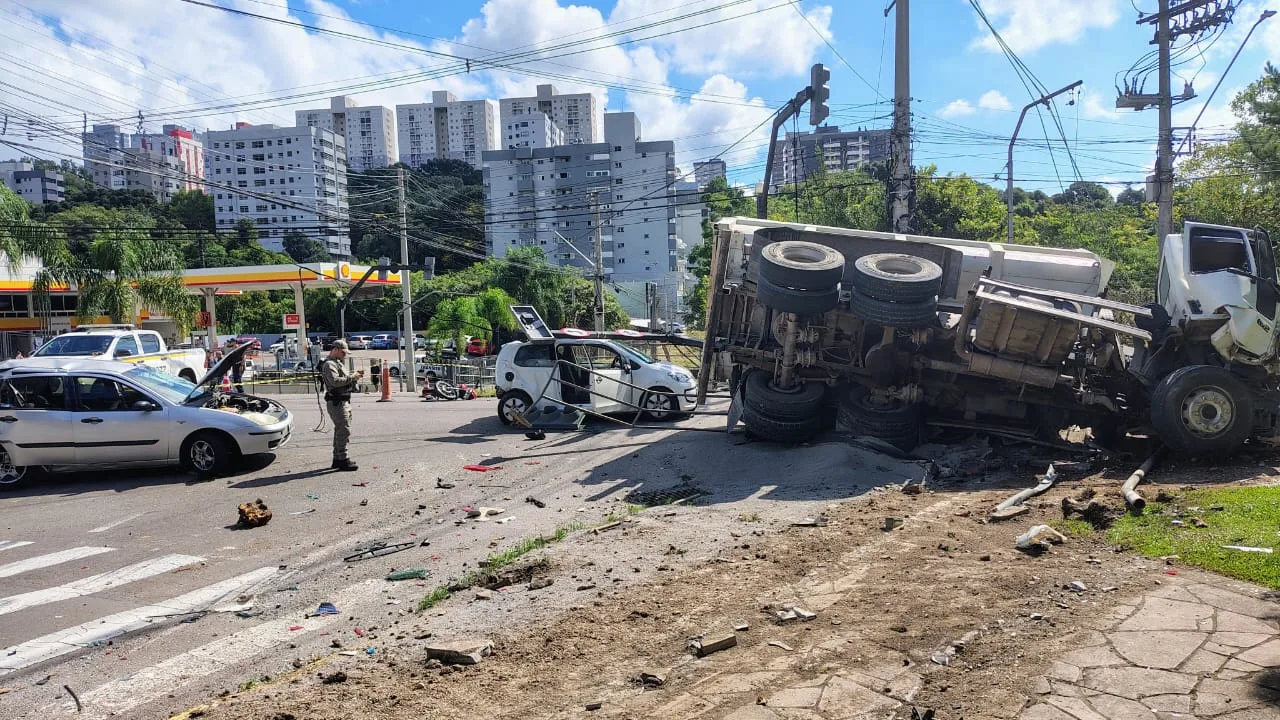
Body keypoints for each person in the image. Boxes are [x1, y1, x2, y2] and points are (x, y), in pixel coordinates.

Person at [319, 339, 363, 471]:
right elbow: (335, 382)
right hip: (336, 402)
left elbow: (343, 380)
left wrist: (353, 377)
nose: (345, 355)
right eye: (343, 352)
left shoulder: (338, 363)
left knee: (340, 430)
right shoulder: (329, 364)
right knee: (343, 430)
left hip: (344, 400)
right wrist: (352, 378)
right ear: (335, 350)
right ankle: (343, 459)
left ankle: (338, 458)